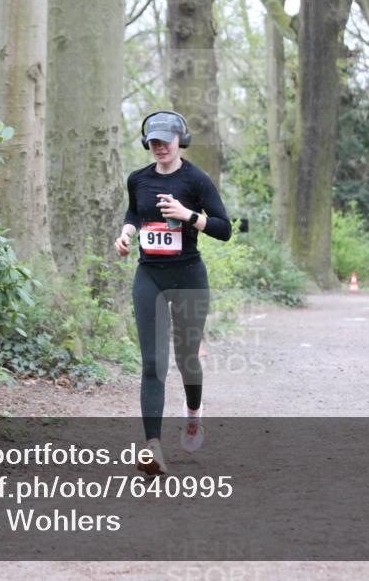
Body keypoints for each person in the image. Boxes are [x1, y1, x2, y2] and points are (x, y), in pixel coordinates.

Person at [114, 110, 232, 475]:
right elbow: (134, 213)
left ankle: (193, 414)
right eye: (153, 141)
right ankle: (153, 447)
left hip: (189, 277)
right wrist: (126, 234)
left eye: (165, 141)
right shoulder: (138, 179)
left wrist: (188, 215)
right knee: (153, 363)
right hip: (149, 276)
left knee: (186, 360)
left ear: (181, 141)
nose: (160, 146)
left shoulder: (196, 180)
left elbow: (224, 229)